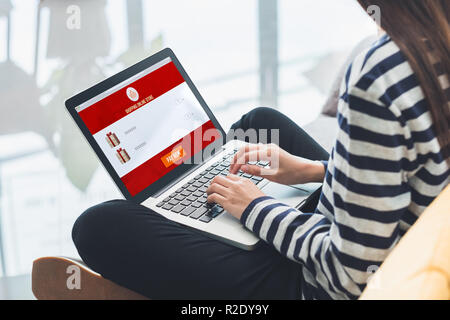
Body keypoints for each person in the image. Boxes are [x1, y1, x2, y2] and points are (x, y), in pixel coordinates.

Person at [72, 0, 450, 299]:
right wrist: (314, 170)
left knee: (97, 225)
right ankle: (190, 202)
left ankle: (190, 214)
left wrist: (255, 207)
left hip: (314, 286)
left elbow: (348, 273)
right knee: (257, 124)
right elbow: (412, 163)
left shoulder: (378, 74)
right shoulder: (435, 36)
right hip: (385, 231)